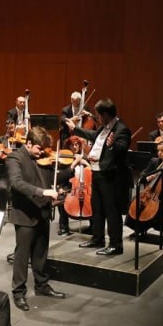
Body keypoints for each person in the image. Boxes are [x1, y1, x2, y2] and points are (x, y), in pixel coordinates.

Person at [6, 126, 66, 312]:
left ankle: (42, 285)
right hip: (24, 214)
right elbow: (17, 183)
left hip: (42, 211)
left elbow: (49, 178)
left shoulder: (41, 159)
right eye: (40, 148)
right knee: (22, 256)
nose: (42, 153)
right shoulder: (15, 158)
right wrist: (43, 191)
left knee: (41, 252)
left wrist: (59, 186)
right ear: (29, 143)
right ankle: (18, 292)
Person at [64, 98, 132, 256]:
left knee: (112, 211)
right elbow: (93, 135)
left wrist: (112, 145)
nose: (97, 117)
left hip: (110, 176)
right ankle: (98, 238)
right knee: (98, 209)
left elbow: (122, 149)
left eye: (98, 115)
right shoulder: (104, 127)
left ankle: (116, 245)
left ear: (106, 114)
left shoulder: (122, 129)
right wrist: (75, 129)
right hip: (97, 172)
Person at [56, 136, 92, 236]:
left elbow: (92, 173)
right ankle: (64, 227)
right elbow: (62, 176)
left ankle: (93, 226)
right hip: (69, 186)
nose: (75, 147)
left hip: (84, 186)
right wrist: (75, 162)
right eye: (72, 145)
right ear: (68, 146)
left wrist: (86, 164)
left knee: (95, 199)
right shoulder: (65, 160)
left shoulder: (84, 158)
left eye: (77, 144)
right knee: (61, 197)